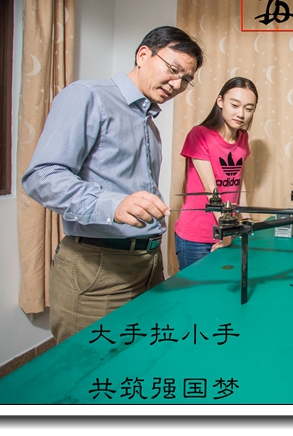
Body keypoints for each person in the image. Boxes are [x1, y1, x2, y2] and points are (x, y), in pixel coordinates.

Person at [22, 26, 204, 342]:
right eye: (173, 70)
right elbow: (42, 176)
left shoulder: (149, 124)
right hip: (98, 268)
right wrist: (113, 203)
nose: (177, 84)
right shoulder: (89, 95)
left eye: (186, 80)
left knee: (141, 360)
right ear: (143, 55)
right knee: (88, 366)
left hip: (148, 263)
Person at [174, 77, 258, 270]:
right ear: (220, 101)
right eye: (234, 105)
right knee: (198, 290)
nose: (241, 114)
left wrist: (247, 222)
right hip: (196, 237)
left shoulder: (243, 137)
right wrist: (226, 233)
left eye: (248, 108)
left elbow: (239, 183)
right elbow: (211, 192)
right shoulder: (199, 134)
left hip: (228, 231)